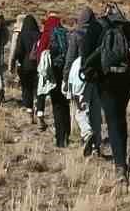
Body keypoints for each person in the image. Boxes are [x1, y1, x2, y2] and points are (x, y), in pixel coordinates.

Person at [82, 3, 130, 184]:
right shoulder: (127, 26)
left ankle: (120, 167)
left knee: (113, 119)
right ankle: (121, 162)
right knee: (120, 117)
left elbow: (85, 54)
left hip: (104, 79)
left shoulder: (96, 27)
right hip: (125, 80)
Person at [34, 14, 71, 146]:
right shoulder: (66, 33)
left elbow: (39, 53)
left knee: (57, 106)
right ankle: (67, 134)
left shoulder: (47, 34)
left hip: (53, 73)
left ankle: (60, 139)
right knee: (65, 105)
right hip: (66, 72)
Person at [67, 8, 101, 156]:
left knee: (81, 110)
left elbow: (70, 58)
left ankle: (87, 134)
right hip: (97, 76)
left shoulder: (76, 34)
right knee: (96, 113)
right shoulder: (99, 32)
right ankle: (96, 147)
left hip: (80, 76)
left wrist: (65, 77)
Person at [10, 15, 42, 121]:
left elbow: (18, 51)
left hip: (25, 66)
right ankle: (39, 109)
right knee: (37, 88)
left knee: (27, 88)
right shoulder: (39, 35)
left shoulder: (22, 35)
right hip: (38, 66)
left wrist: (17, 61)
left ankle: (29, 110)